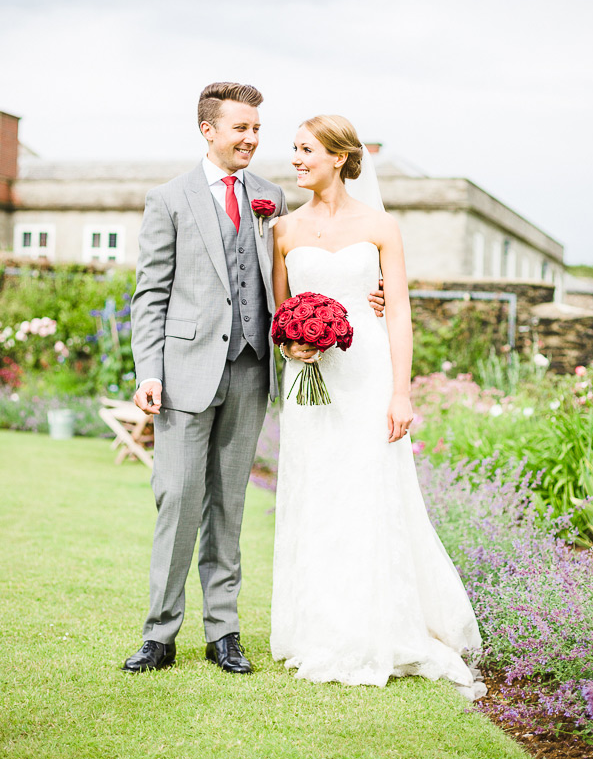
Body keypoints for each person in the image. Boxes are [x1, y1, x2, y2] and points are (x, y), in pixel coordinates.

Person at [123, 84, 384, 675]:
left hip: (250, 372)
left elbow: (305, 265)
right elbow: (150, 295)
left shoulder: (271, 198)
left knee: (230, 506)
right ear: (208, 130)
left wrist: (372, 295)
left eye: (256, 129)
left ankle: (225, 634)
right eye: (241, 128)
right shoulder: (168, 199)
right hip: (183, 375)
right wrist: (148, 371)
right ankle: (159, 635)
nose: (252, 139)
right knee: (178, 501)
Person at [270, 114, 484, 694]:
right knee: (316, 491)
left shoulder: (381, 225)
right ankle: (319, 625)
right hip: (310, 385)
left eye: (305, 149)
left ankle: (378, 623)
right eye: (293, 149)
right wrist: (294, 343)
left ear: (339, 157)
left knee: (368, 491)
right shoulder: (283, 230)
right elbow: (279, 312)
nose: (295, 159)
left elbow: (400, 313)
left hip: (367, 377)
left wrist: (400, 391)